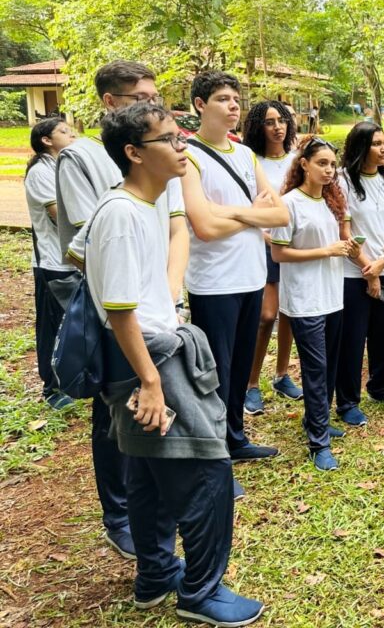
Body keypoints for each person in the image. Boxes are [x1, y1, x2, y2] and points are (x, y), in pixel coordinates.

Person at [86, 102, 263, 626]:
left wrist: (163, 297)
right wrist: (150, 382)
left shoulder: (151, 202)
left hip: (151, 348)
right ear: (135, 153)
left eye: (180, 135)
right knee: (207, 472)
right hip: (148, 359)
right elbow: (118, 310)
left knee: (147, 472)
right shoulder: (119, 213)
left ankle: (157, 574)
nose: (182, 146)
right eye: (169, 139)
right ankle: (201, 592)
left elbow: (102, 264)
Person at [56, 60, 188, 560]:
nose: (151, 104)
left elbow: (177, 228)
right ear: (110, 102)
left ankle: (154, 510)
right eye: (138, 97)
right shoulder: (84, 159)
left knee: (150, 414)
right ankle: (120, 517)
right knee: (115, 417)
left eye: (155, 95)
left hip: (155, 304)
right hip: (110, 302)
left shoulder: (163, 149)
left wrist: (171, 298)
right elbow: (89, 243)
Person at [180, 71, 289, 473]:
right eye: (223, 99)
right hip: (214, 283)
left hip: (250, 276)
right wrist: (252, 216)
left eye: (235, 99)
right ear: (200, 105)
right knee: (216, 371)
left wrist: (234, 213)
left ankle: (236, 438)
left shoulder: (245, 154)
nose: (233, 106)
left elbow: (279, 213)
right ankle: (213, 455)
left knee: (241, 366)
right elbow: (203, 227)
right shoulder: (188, 156)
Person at [270, 136, 354, 470]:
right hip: (305, 300)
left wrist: (348, 247)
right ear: (303, 164)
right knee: (315, 369)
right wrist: (327, 250)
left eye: (332, 164)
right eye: (322, 163)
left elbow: (337, 243)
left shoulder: (331, 202)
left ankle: (315, 420)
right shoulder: (288, 203)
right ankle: (318, 443)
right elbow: (278, 252)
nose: (329, 170)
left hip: (332, 295)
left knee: (330, 365)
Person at [336, 122, 384, 425]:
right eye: (376, 143)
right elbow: (345, 231)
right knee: (352, 337)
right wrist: (369, 270)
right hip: (353, 273)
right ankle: (347, 401)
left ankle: (381, 386)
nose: (383, 149)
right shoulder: (343, 182)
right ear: (361, 146)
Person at [241, 101, 302, 416]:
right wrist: (263, 233)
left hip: (294, 246)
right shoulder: (250, 161)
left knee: (289, 312)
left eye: (282, 120)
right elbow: (248, 207)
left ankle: (281, 375)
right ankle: (251, 384)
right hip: (264, 245)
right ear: (257, 127)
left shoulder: (296, 160)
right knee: (267, 316)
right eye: (269, 122)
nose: (277, 127)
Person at [24, 118, 78, 410]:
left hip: (76, 261)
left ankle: (73, 378)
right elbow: (60, 214)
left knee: (77, 323)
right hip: (53, 263)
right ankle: (52, 387)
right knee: (53, 327)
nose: (73, 135)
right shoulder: (40, 172)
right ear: (46, 140)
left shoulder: (64, 167)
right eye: (64, 132)